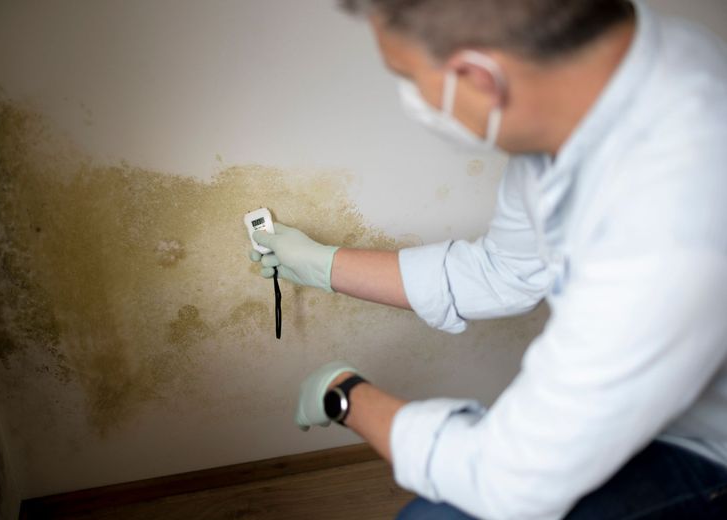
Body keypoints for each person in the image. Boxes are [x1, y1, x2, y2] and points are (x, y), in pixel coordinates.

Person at [249, 0, 727, 518]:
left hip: (707, 447)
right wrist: (322, 264)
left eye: (406, 75)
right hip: (657, 403)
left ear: (477, 77)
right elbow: (504, 271)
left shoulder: (672, 222)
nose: (412, 97)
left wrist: (343, 396)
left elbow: (507, 483)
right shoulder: (595, 95)